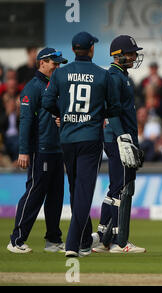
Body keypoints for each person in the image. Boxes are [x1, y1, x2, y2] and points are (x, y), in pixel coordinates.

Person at [42, 31, 141, 257]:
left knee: (75, 189)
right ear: (92, 49)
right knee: (84, 193)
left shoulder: (60, 74)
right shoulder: (102, 75)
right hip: (90, 138)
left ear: (74, 49)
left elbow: (47, 102)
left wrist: (65, 114)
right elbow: (113, 109)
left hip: (67, 138)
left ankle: (85, 241)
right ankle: (73, 244)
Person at [6, 47, 68, 253]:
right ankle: (16, 240)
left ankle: (53, 240)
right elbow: (25, 121)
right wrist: (24, 151)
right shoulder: (33, 87)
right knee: (34, 194)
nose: (57, 67)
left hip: (56, 149)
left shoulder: (55, 87)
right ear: (42, 62)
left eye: (59, 64)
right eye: (54, 63)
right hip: (40, 150)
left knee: (56, 196)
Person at [92, 35, 146, 253]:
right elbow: (111, 111)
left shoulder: (121, 76)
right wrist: (123, 137)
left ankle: (104, 238)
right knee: (123, 188)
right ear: (118, 55)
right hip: (118, 138)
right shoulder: (113, 77)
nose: (134, 57)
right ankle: (119, 241)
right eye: (130, 53)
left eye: (134, 53)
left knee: (117, 187)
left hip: (122, 137)